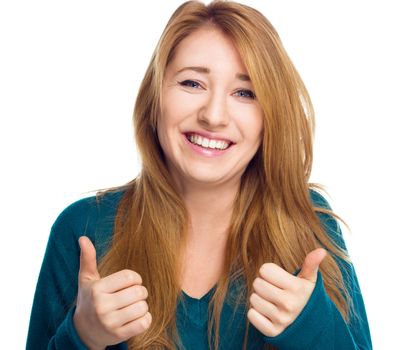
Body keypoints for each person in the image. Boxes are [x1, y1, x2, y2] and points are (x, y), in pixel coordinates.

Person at [26, 1, 372, 349]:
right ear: (155, 99)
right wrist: (82, 335)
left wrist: (316, 333)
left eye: (245, 93)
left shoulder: (308, 222)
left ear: (270, 117)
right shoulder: (82, 228)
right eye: (192, 83)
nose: (214, 115)